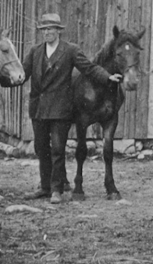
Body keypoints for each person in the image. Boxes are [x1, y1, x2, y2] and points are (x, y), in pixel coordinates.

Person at [22, 12, 122, 204]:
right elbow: (22, 74)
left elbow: (89, 68)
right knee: (40, 148)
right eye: (44, 29)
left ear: (58, 31)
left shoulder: (70, 50)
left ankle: (57, 190)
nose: (47, 32)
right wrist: (3, 79)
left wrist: (107, 77)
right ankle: (45, 187)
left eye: (51, 29)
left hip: (60, 108)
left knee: (58, 149)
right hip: (39, 108)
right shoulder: (35, 52)